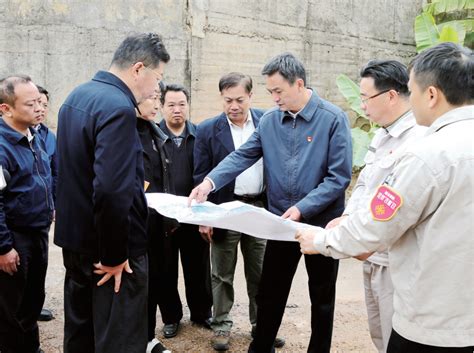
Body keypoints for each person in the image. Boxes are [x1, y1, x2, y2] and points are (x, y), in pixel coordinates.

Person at [296, 42, 474, 353]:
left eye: (412, 89)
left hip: (431, 322)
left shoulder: (425, 154)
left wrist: (322, 240)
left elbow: (378, 224)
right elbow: (366, 183)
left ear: (431, 95)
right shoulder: (409, 141)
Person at [189, 53, 352, 353]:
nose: (274, 98)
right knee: (271, 290)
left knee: (322, 295)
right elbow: (242, 156)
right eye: (270, 92)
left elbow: (338, 177)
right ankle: (260, 346)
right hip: (281, 223)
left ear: (299, 84)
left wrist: (304, 207)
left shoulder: (332, 119)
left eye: (278, 91)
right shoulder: (270, 122)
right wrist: (209, 183)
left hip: (320, 225)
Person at [54, 33, 170, 353]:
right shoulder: (119, 107)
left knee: (81, 331)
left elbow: (72, 173)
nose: (154, 89)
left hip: (76, 240)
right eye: (156, 78)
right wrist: (115, 255)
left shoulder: (77, 96)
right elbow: (110, 190)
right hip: (111, 251)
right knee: (118, 337)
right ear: (138, 69)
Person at [325, 60, 426, 353]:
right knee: (379, 332)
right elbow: (365, 186)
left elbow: (396, 204)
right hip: (369, 253)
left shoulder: (417, 140)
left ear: (391, 96)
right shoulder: (383, 134)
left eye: (366, 98)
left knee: (397, 337)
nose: (362, 105)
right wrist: (347, 217)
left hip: (393, 260)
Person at [194, 72, 284, 351]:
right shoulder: (208, 129)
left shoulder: (268, 121)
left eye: (239, 100)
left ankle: (261, 326)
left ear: (251, 97)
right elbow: (201, 173)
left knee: (260, 272)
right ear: (221, 98)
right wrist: (205, 218)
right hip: (225, 209)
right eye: (228, 100)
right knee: (222, 272)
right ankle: (221, 325)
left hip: (259, 207)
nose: (234, 106)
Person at [0, 75, 53, 353]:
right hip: (14, 237)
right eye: (30, 103)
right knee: (11, 306)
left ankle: (31, 347)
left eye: (39, 102)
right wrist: (3, 246)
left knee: (33, 299)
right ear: (6, 109)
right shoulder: (2, 146)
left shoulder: (34, 136)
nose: (38, 108)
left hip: (38, 233)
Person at [157, 83, 213, 339]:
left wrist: (206, 216)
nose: (177, 110)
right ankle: (171, 317)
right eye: (171, 105)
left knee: (198, 268)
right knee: (165, 269)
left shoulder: (201, 135)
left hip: (194, 215)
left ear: (188, 106)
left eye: (181, 104)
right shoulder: (153, 135)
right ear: (162, 106)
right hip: (163, 219)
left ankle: (202, 313)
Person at [136, 82, 171, 353]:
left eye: (158, 98)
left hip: (158, 220)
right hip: (136, 222)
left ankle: (148, 337)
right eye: (152, 97)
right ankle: (135, 339)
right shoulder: (124, 131)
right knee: (136, 283)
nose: (157, 104)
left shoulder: (154, 131)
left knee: (155, 280)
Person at [34, 85, 56, 322]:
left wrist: (55, 204)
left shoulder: (49, 137)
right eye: (35, 104)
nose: (40, 109)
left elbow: (56, 173)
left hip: (43, 212)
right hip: (18, 217)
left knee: (41, 260)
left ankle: (35, 304)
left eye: (44, 105)